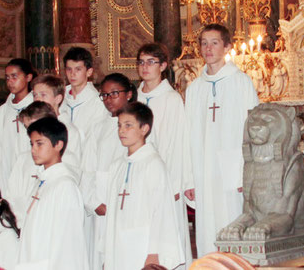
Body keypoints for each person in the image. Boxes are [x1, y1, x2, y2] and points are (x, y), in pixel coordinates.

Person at [183, 23, 259, 257]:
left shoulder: (241, 82)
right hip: (203, 167)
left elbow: (253, 128)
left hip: (232, 169)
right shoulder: (194, 88)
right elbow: (187, 134)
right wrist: (188, 178)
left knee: (233, 223)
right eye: (204, 43)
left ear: (227, 46)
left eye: (214, 42)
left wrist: (246, 172)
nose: (208, 48)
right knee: (207, 229)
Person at [102, 102, 187, 270]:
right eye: (119, 125)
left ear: (144, 128)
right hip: (117, 245)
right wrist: (108, 253)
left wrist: (154, 253)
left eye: (128, 125)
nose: (121, 131)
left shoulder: (153, 164)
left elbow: (161, 211)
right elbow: (111, 213)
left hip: (143, 247)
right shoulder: (117, 166)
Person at [17, 116, 88, 270]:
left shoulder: (65, 186)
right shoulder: (42, 181)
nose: (33, 150)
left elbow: (68, 242)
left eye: (39, 144)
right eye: (32, 144)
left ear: (58, 145)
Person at [82, 73, 135, 270]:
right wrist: (94, 202)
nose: (108, 100)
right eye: (104, 95)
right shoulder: (98, 128)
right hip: (102, 203)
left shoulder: (140, 124)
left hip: (129, 204)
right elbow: (86, 169)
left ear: (128, 94)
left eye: (114, 93)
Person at [135, 44, 187, 202]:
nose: (145, 67)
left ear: (163, 66)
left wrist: (175, 183)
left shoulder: (171, 99)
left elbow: (179, 142)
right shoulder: (134, 98)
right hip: (138, 173)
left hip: (166, 173)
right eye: (141, 62)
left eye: (151, 62)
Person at [4, 101, 56, 220]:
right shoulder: (23, 159)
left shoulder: (63, 158)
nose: (30, 133)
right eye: (27, 128)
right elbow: (11, 195)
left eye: (34, 127)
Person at [30, 74, 83, 169]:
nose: (37, 99)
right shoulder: (32, 126)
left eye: (43, 95)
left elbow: (71, 166)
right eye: (35, 95)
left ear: (58, 99)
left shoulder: (69, 130)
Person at [0, 58, 36, 172]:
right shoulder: (2, 111)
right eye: (7, 77)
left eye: (14, 77)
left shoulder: (37, 107)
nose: (10, 81)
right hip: (7, 168)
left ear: (28, 77)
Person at [61, 47, 107, 138]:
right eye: (69, 69)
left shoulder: (97, 102)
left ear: (89, 72)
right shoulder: (60, 97)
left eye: (78, 69)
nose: (72, 74)